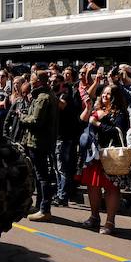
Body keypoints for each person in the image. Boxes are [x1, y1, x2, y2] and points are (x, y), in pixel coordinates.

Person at [79, 84, 130, 234]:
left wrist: (99, 123)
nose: (104, 96)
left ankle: (110, 222)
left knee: (111, 189)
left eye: (108, 94)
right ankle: (94, 217)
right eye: (103, 94)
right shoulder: (96, 110)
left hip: (111, 157)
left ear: (115, 97)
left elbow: (118, 132)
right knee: (92, 186)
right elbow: (82, 120)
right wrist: (90, 108)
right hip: (94, 155)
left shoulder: (120, 113)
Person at [20, 71, 59, 222]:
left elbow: (36, 121)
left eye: (32, 79)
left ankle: (44, 209)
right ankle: (40, 206)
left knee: (42, 176)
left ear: (37, 82)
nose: (29, 81)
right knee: (39, 175)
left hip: (38, 142)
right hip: (41, 141)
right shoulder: (46, 95)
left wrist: (22, 117)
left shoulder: (43, 98)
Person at [54, 69, 84, 206]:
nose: (51, 84)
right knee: (57, 168)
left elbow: (61, 106)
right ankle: (60, 194)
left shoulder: (65, 95)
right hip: (58, 137)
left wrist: (48, 95)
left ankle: (63, 196)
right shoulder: (57, 94)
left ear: (62, 83)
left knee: (63, 168)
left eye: (55, 82)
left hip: (65, 137)